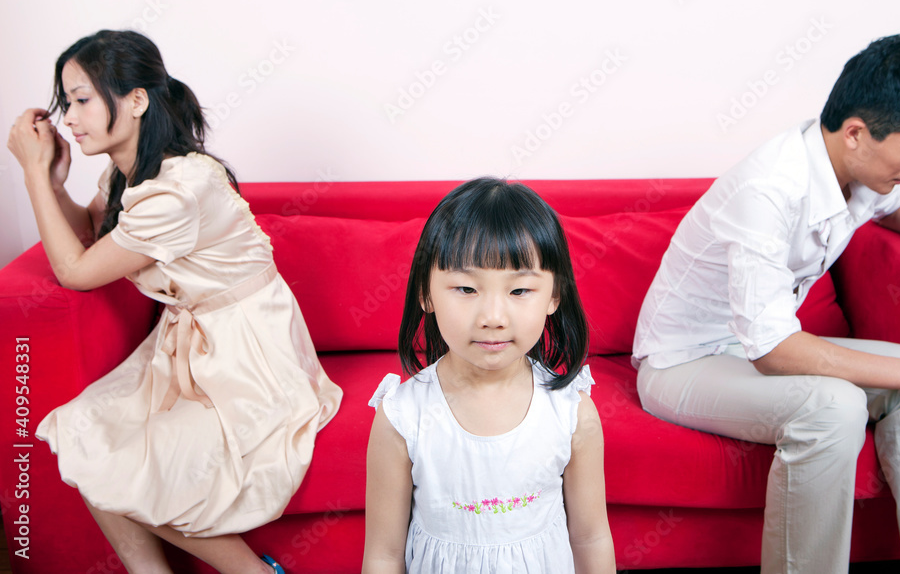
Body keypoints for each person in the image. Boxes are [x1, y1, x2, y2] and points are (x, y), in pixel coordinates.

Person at [632, 34, 900, 573]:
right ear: (856, 133)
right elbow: (775, 351)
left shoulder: (857, 165)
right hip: (684, 362)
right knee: (836, 408)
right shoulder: (770, 189)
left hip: (756, 344)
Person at [7, 30, 343, 574]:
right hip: (189, 342)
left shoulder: (176, 189)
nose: (69, 117)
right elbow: (93, 236)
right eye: (67, 101)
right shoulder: (130, 169)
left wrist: (29, 175)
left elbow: (76, 272)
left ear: (136, 100)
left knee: (130, 466)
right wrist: (55, 181)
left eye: (82, 99)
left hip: (244, 352)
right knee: (82, 436)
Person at [362, 177, 615, 573]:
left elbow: (590, 537)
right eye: (466, 288)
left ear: (553, 296)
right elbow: (383, 554)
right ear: (426, 294)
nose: (493, 318)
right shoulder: (402, 416)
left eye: (519, 291)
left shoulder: (571, 412)